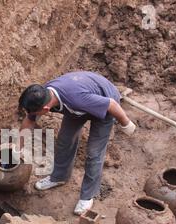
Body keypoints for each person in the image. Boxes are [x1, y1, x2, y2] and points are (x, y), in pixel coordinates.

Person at [18, 71, 136, 215]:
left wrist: (126, 123)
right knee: (65, 140)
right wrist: (18, 148)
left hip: (106, 104)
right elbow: (29, 120)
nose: (33, 115)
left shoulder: (76, 99)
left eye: (36, 113)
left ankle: (87, 196)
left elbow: (111, 104)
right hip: (78, 109)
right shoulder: (42, 95)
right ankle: (59, 176)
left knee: (94, 152)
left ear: (45, 109)